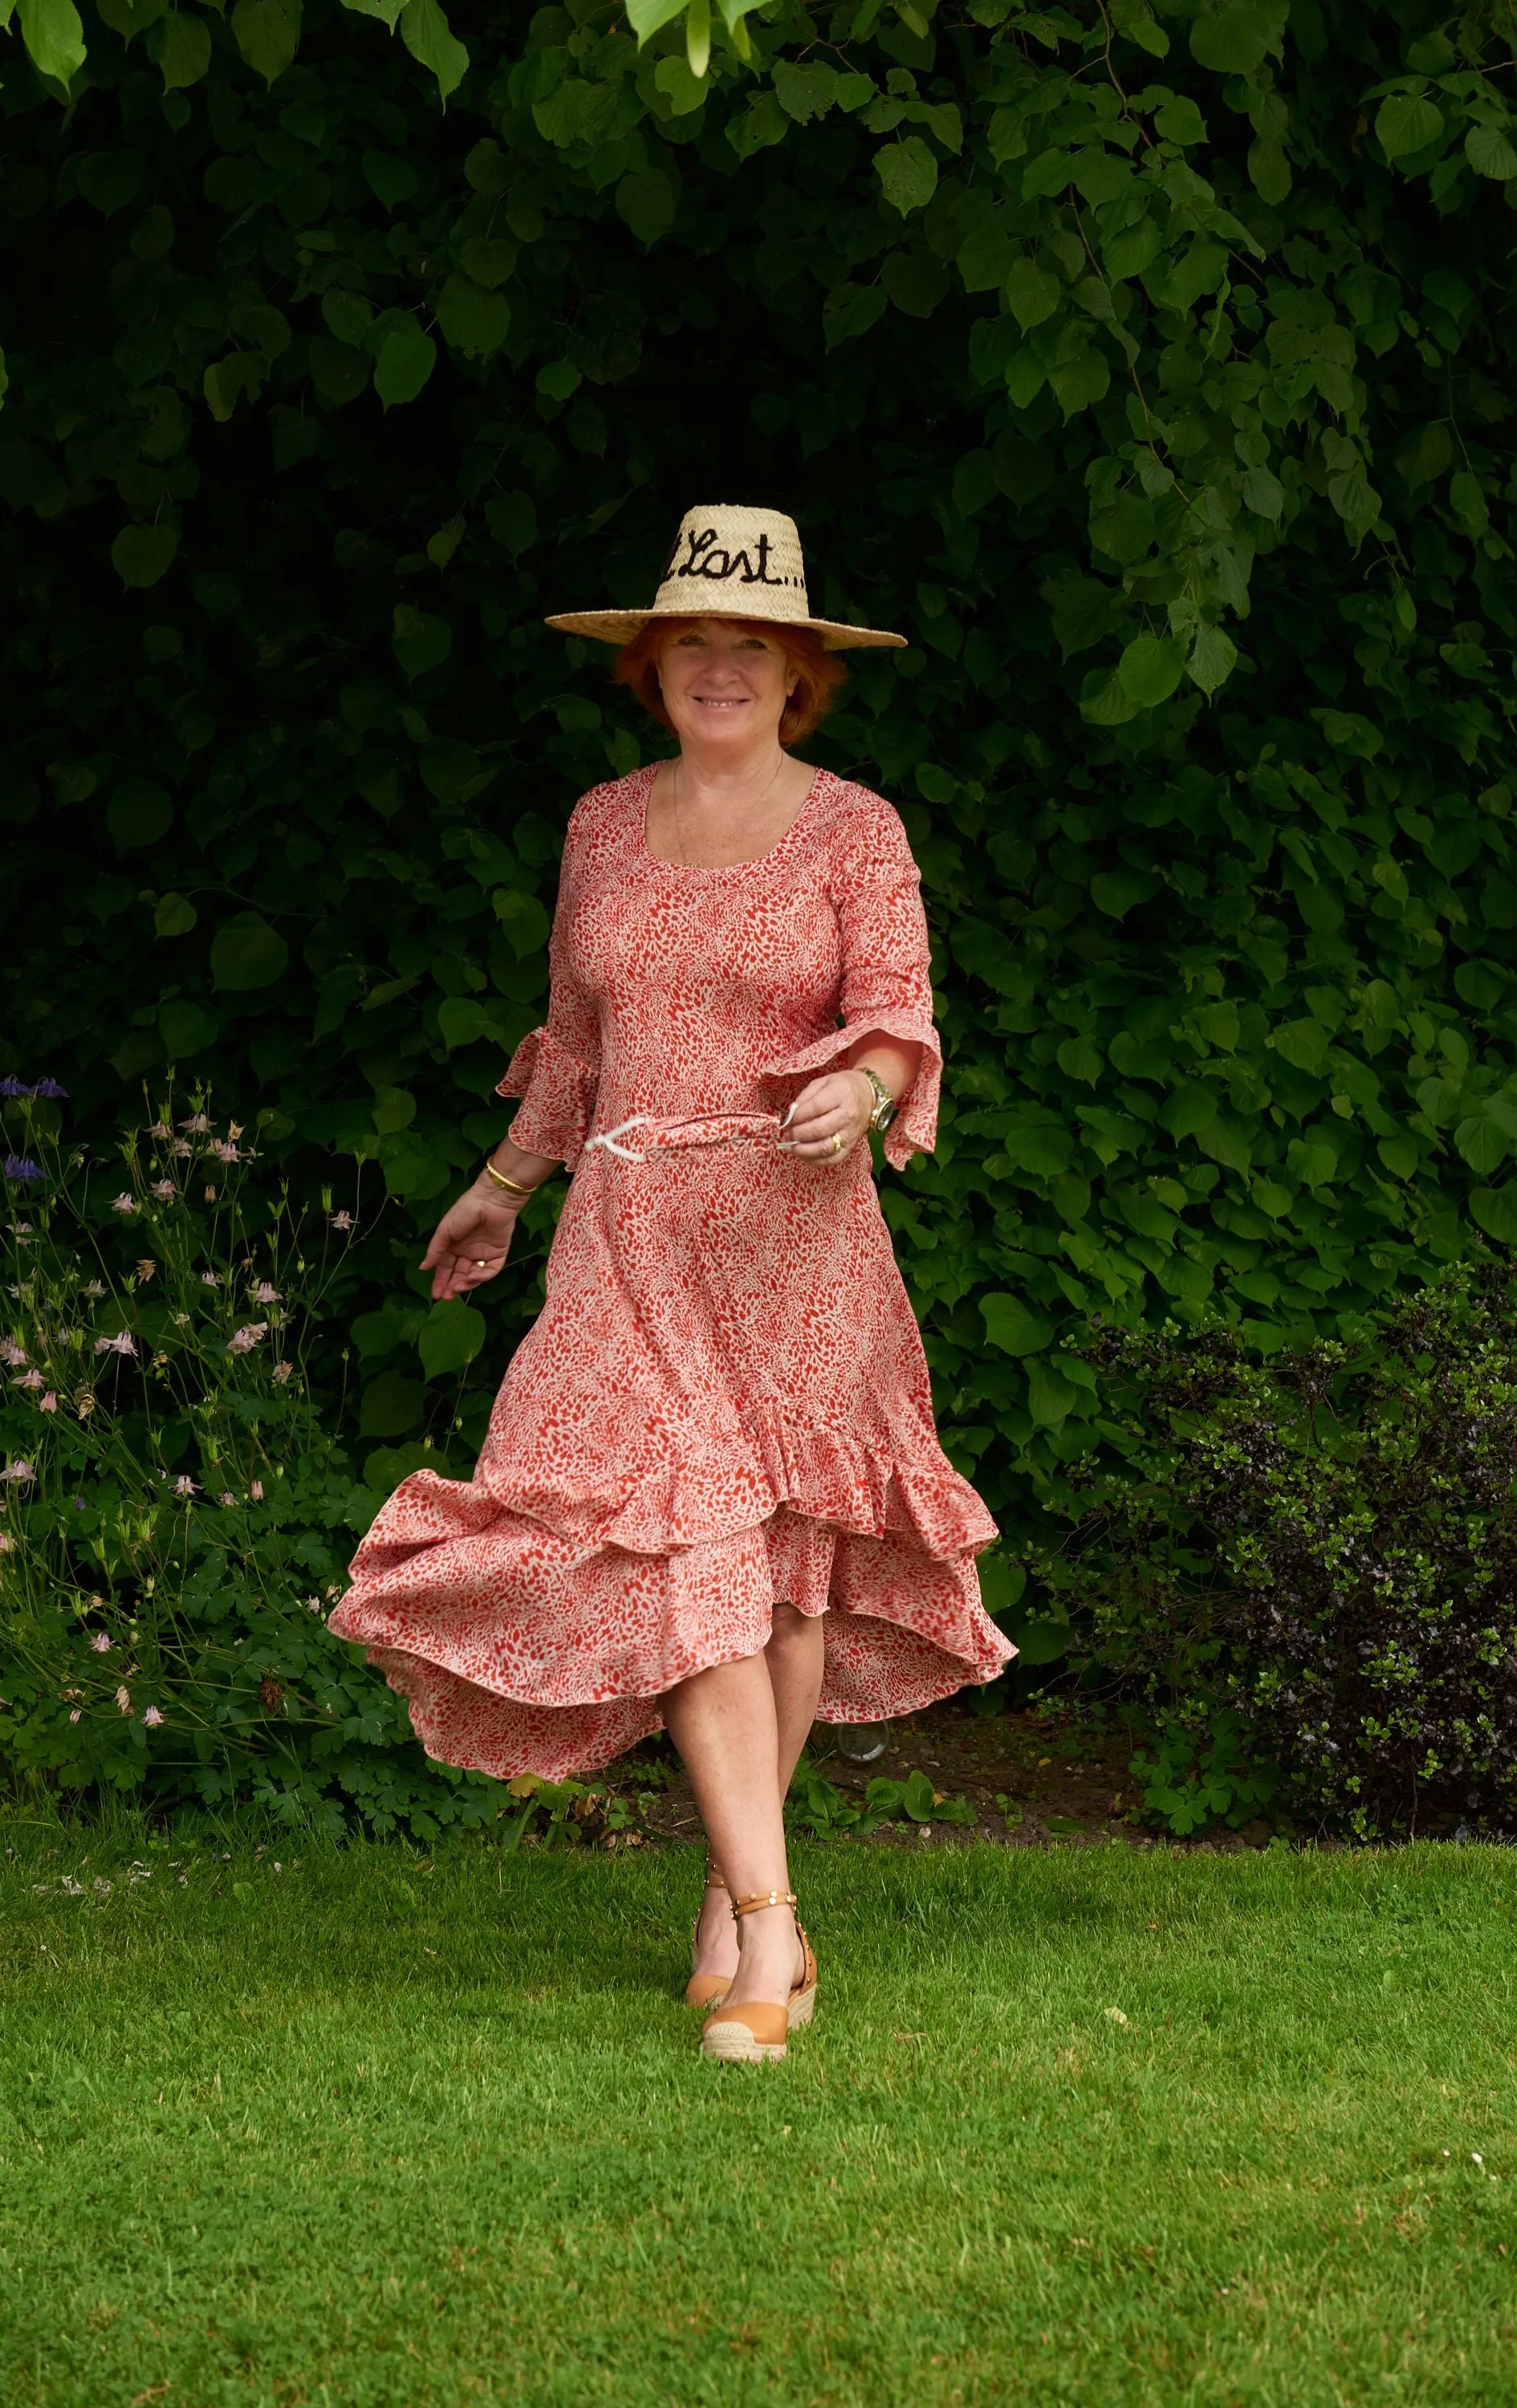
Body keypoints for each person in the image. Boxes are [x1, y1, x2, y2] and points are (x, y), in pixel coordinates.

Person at [331, 505, 1013, 2063]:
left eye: (750, 645)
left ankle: (732, 1892)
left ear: (796, 675)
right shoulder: (595, 826)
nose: (720, 666)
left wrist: (859, 1087)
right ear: (652, 664)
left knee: (770, 1582)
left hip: (790, 1242)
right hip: (624, 1238)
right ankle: (773, 1939)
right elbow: (573, 1044)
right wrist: (502, 1189)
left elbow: (897, 1011)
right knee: (690, 1553)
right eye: (693, 641)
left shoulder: (855, 830)